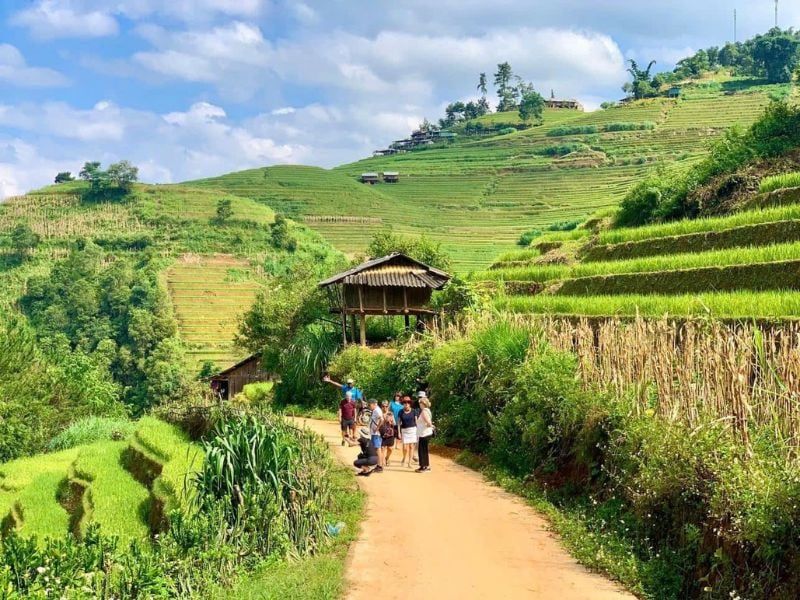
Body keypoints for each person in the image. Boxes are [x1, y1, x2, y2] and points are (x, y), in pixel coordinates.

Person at [398, 397, 418, 469]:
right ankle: (404, 457)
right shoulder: (401, 411)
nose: (406, 404)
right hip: (404, 430)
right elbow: (399, 423)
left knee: (411, 447)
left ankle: (409, 462)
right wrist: (399, 432)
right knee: (405, 448)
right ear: (403, 404)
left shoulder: (414, 411)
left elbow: (416, 422)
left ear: (410, 404)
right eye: (405, 402)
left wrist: (418, 430)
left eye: (408, 402)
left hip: (413, 430)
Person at [416, 397, 434, 473]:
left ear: (423, 403)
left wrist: (430, 425)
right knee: (424, 450)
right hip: (425, 433)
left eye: (420, 403)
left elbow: (428, 422)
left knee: (422, 450)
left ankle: (423, 466)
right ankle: (425, 465)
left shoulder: (424, 411)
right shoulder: (428, 410)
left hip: (424, 434)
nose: (419, 404)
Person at [368, 398, 384, 472]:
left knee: (378, 449)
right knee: (376, 448)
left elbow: (382, 420)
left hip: (376, 433)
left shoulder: (377, 410)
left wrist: (377, 428)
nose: (369, 406)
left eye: (370, 404)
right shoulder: (375, 410)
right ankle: (378, 464)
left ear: (374, 404)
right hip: (374, 433)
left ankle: (379, 466)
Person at [379, 400, 397, 465]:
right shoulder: (379, 413)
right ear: (381, 407)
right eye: (383, 406)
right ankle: (382, 461)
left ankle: (387, 458)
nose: (385, 408)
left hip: (390, 433)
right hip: (382, 433)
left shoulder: (390, 414)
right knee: (382, 448)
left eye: (386, 406)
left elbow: (394, 423)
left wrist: (391, 421)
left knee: (390, 448)